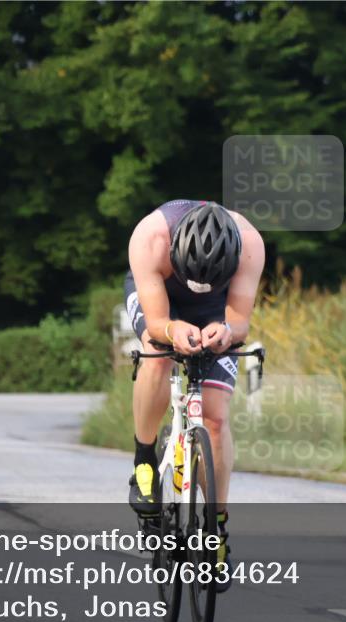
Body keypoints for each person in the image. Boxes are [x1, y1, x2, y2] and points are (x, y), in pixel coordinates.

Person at [124, 199, 264, 591]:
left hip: (213, 311)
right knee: (156, 357)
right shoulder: (150, 237)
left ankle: (216, 529)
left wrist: (226, 333)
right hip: (160, 300)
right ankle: (144, 460)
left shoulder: (250, 242)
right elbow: (157, 322)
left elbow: (239, 322)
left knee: (216, 419)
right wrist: (171, 331)